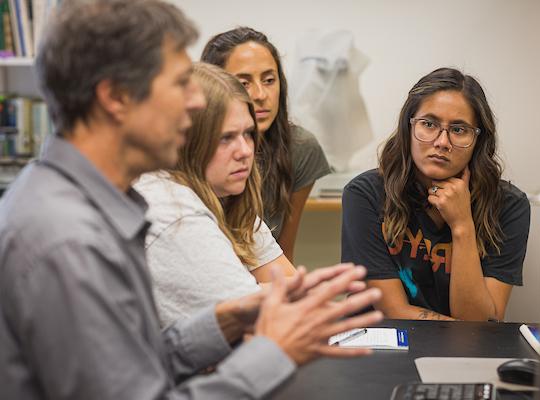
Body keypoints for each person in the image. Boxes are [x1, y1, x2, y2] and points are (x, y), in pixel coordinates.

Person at [0, 1, 383, 399]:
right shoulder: (69, 239)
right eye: (180, 83)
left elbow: (130, 367)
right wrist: (273, 353)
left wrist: (223, 320)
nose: (197, 102)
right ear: (116, 97)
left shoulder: (87, 205)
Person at [341, 68, 530, 321]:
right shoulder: (365, 194)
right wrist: (463, 329)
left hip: (463, 351)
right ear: (408, 127)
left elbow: (479, 322)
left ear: (478, 140)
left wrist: (462, 225)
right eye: (429, 124)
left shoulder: (509, 205)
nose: (442, 142)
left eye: (459, 129)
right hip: (381, 345)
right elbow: (394, 311)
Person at [135, 63, 296, 326]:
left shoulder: (228, 200)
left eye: (248, 134)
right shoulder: (171, 209)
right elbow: (253, 317)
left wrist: (265, 294)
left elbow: (293, 290)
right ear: (186, 142)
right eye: (226, 138)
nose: (245, 151)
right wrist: (265, 294)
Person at [201, 27, 332, 262]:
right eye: (244, 82)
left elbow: (282, 253)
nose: (261, 94)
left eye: (269, 80)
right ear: (214, 86)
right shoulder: (182, 150)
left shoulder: (300, 148)